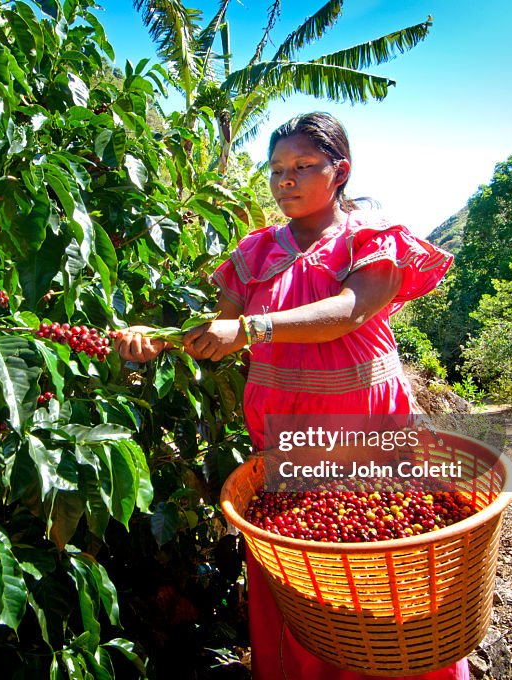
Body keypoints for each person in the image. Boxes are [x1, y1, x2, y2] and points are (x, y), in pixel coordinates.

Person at [114, 112, 464, 680]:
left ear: (340, 171)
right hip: (284, 426)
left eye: (303, 166)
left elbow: (346, 312)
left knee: (382, 553)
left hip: (366, 419)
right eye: (277, 169)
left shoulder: (369, 237)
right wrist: (156, 341)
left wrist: (252, 329)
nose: (286, 181)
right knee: (300, 560)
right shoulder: (255, 252)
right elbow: (217, 328)